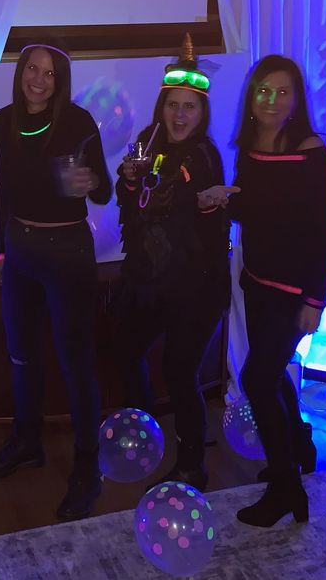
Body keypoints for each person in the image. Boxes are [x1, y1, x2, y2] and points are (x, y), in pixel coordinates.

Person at [0, 42, 112, 521]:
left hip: (67, 251)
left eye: (49, 74)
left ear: (60, 82)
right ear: (20, 73)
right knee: (21, 354)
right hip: (20, 250)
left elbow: (105, 190)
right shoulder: (1, 121)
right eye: (32, 69)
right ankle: (27, 441)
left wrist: (91, 183)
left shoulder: (77, 122)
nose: (38, 79)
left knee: (76, 363)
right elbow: (4, 189)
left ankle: (87, 468)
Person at [207, 54, 326, 527]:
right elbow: (258, 209)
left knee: (256, 379)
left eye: (282, 91)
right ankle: (298, 446)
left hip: (294, 290)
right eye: (263, 90)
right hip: (257, 281)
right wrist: (226, 198)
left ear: (297, 98)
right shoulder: (250, 143)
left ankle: (286, 488)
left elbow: (319, 231)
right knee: (271, 370)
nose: (271, 100)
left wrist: (314, 302)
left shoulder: (312, 153)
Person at [113, 35, 232, 491]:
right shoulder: (147, 141)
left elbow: (203, 225)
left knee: (181, 371)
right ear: (162, 105)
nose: (180, 115)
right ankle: (147, 432)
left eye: (190, 107)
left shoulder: (206, 157)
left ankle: (191, 463)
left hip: (194, 285)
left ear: (202, 113)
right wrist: (127, 182)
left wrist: (205, 206)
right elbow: (137, 207)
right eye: (173, 105)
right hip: (150, 278)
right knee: (127, 350)